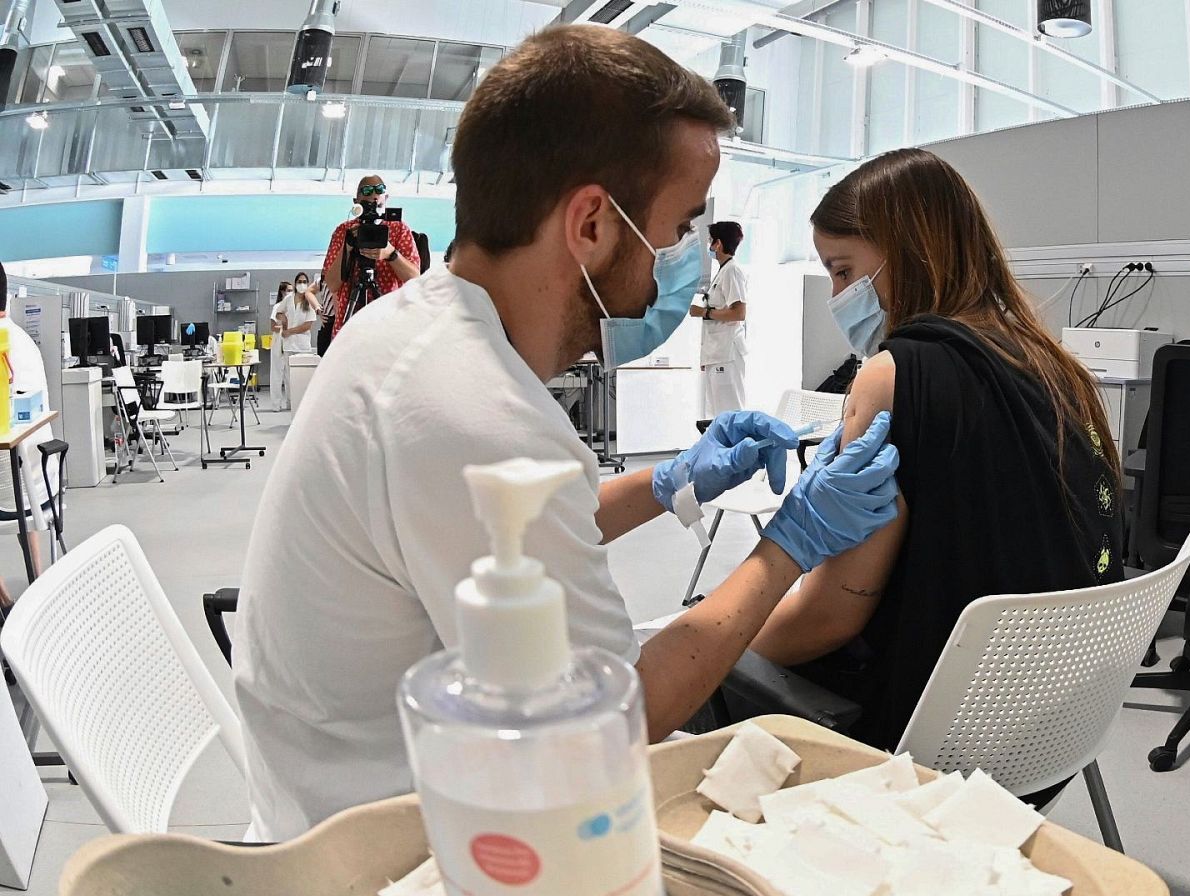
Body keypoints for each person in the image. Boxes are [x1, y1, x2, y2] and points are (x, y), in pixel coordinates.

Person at [233, 24, 900, 841]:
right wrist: (790, 543)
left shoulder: (417, 331)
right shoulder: (474, 411)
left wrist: (670, 483)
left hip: (343, 783)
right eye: (680, 225)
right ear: (591, 223)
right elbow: (615, 724)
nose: (681, 256)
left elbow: (518, 517)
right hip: (400, 844)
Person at [748, 148, 1124, 750]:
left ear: (910, 251)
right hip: (1048, 729)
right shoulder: (1054, 366)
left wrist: (714, 639)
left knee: (713, 677)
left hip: (924, 735)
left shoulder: (892, 376)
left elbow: (828, 619)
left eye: (844, 271)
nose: (837, 295)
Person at [0, 260, 55, 606]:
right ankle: (37, 581)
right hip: (42, 489)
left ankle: (3, 604)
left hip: (6, 496)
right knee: (19, 484)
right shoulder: (24, 341)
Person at [319, 175, 421, 345]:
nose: (374, 195)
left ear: (386, 197)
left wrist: (391, 254)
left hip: (389, 325)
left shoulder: (399, 229)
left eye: (380, 190)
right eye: (366, 191)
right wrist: (348, 246)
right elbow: (332, 284)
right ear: (356, 200)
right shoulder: (343, 231)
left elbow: (415, 278)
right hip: (349, 326)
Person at [691, 221, 749, 416]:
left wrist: (704, 312)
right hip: (716, 354)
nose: (709, 247)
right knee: (716, 415)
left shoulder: (732, 271)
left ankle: (738, 448)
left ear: (719, 244)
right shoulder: (722, 272)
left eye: (711, 242)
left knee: (729, 414)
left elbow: (739, 312)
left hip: (726, 354)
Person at [269, 273, 320, 411]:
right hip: (288, 344)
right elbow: (279, 313)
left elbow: (307, 326)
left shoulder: (309, 301)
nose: (302, 284)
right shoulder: (288, 299)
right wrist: (284, 320)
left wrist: (289, 331)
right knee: (288, 377)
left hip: (302, 345)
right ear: (295, 282)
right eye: (299, 281)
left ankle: (301, 405)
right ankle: (291, 404)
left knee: (301, 378)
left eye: (304, 281)